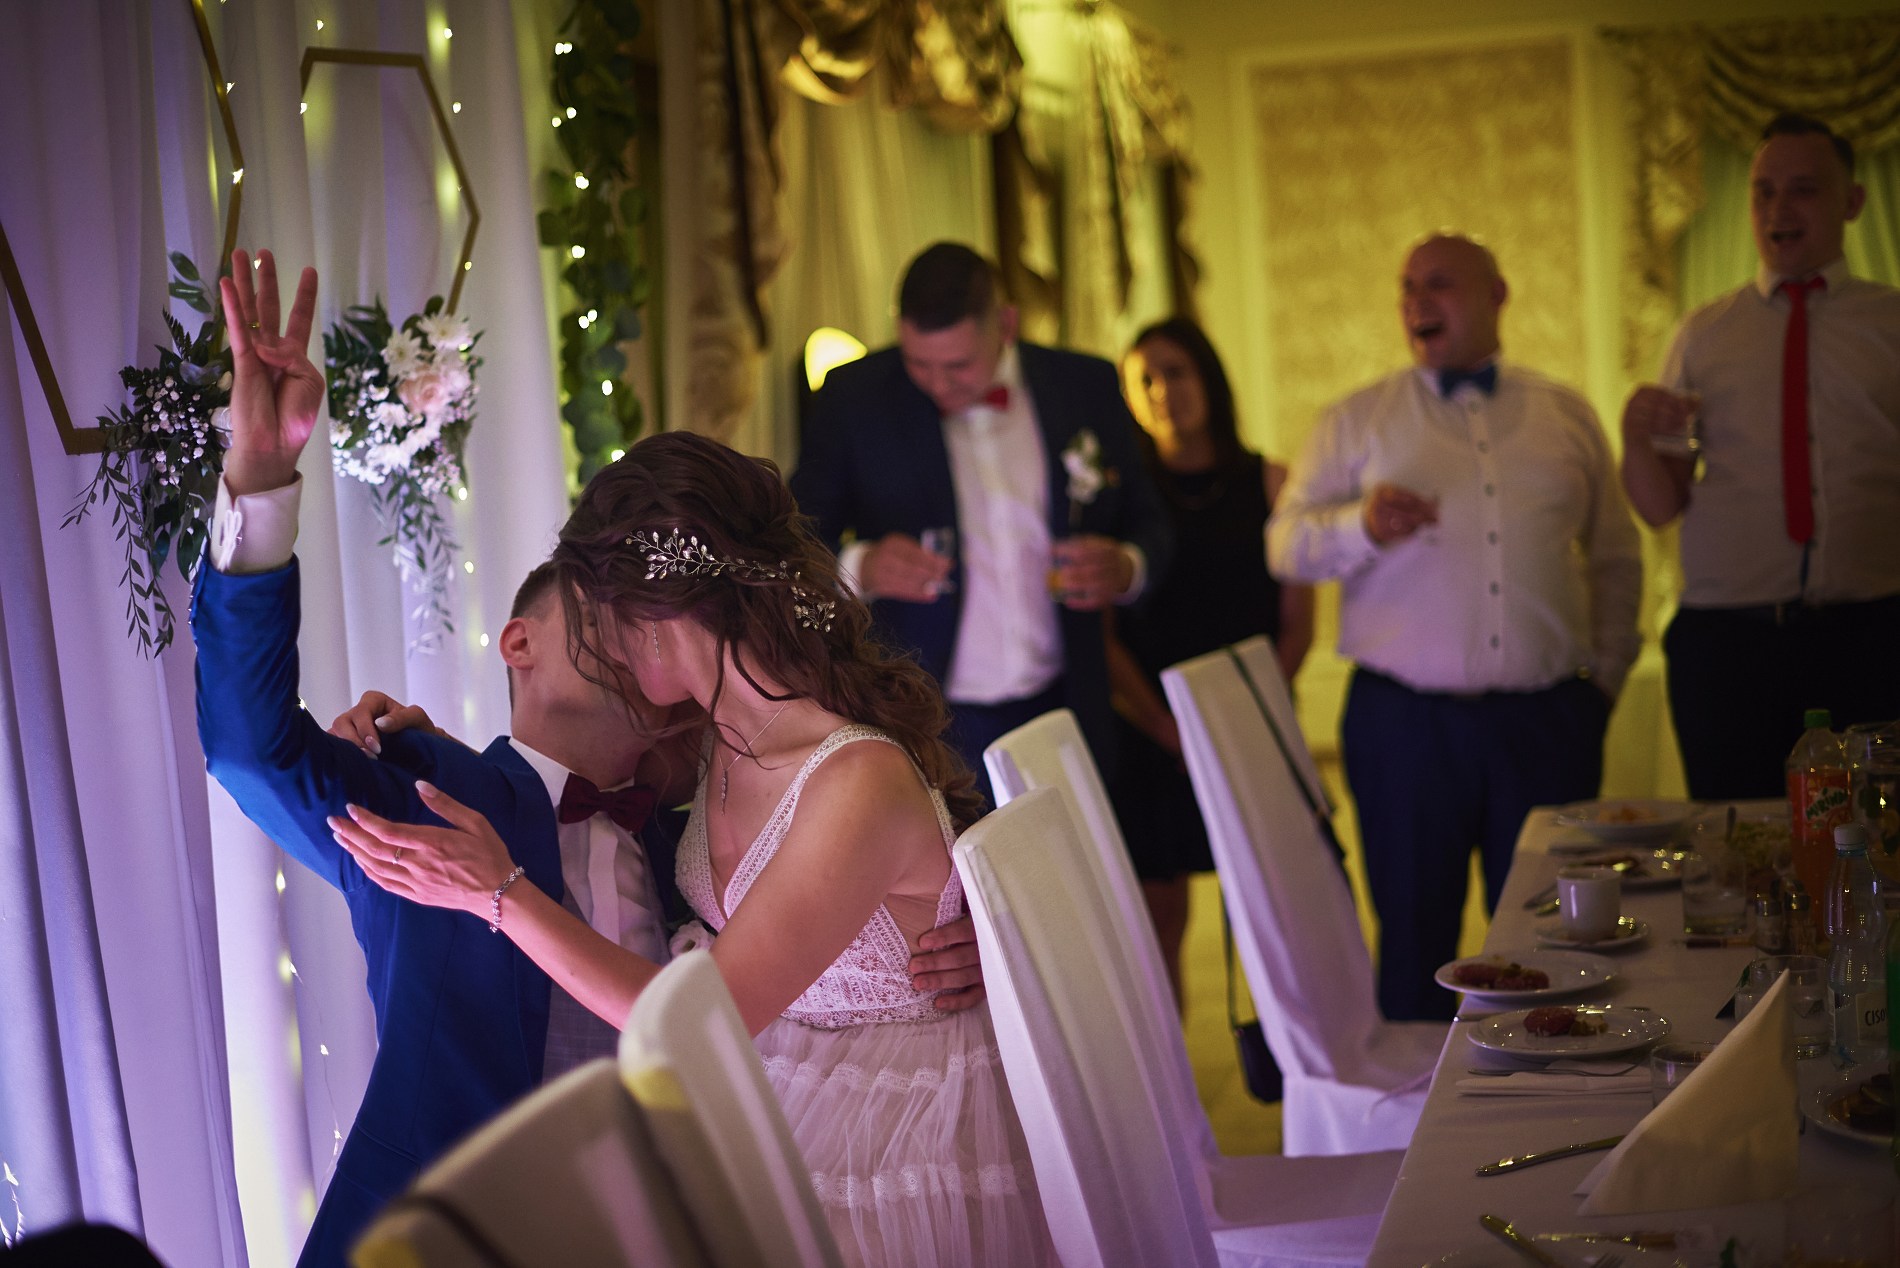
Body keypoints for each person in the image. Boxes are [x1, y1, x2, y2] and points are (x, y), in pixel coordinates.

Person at [194, 251, 983, 1267]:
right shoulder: (430, 798)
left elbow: (861, 846)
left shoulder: (708, 799)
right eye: (591, 610)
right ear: (519, 644)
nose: (617, 629)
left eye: (623, 604)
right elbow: (248, 750)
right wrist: (259, 480)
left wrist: (971, 923)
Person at [329, 431, 1055, 1268]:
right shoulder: (712, 736)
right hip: (774, 1087)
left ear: (651, 617)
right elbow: (572, 785)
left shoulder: (854, 781)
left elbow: (696, 1020)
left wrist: (502, 894)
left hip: (891, 1133)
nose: (603, 656)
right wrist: (437, 755)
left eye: (598, 622)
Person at [1267, 234, 1642, 1021]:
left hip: (1547, 723)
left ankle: (1547, 1095)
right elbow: (1284, 544)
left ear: (1497, 293)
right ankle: (1419, 1098)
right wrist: (1361, 525)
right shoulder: (1357, 420)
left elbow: (1615, 557)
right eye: (1406, 288)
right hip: (1405, 728)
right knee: (1415, 941)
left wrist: (1602, 683)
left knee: (1553, 942)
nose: (1416, 302)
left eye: (1438, 283)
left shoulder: (1567, 414)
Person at [789, 242, 1172, 803]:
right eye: (919, 363)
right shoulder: (854, 399)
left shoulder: (1084, 385)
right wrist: (860, 565)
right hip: (926, 716)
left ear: (1006, 325)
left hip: (1066, 701)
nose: (938, 385)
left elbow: (1150, 519)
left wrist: (1128, 565)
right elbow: (792, 540)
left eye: (958, 366)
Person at [1620, 113, 1900, 800]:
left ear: (1851, 202)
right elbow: (1659, 506)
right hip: (1729, 644)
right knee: (1736, 834)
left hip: (1873, 633)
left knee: (1875, 835)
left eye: (1803, 189)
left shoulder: (1892, 323)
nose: (1779, 210)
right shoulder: (1701, 334)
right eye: (1763, 192)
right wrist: (1633, 438)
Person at [1104, 316, 1314, 1004]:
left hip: (1252, 723)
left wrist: (1242, 718)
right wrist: (1171, 730)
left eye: (1177, 371)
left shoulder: (1272, 483)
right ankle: (1174, 1069)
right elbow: (1105, 639)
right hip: (1151, 734)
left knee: (1279, 914)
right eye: (1145, 379)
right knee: (1157, 920)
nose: (1163, 390)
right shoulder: (1123, 505)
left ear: (1209, 379)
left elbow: (1297, 625)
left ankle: (1294, 1050)